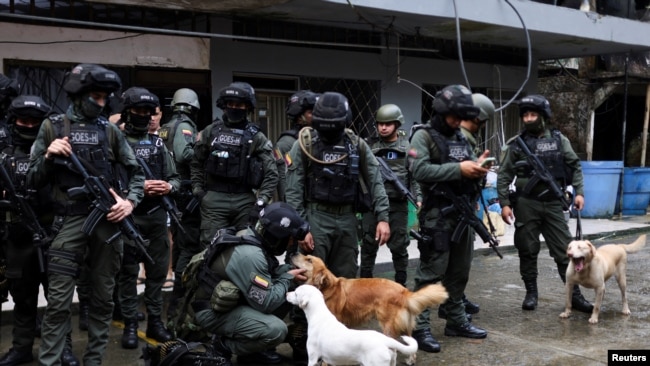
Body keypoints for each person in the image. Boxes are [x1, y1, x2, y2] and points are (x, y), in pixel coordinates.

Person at [28, 63, 145, 365]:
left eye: (106, 98)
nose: (102, 103)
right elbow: (31, 179)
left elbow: (136, 174)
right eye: (97, 96)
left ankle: (94, 360)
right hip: (67, 222)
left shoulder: (109, 131)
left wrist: (129, 202)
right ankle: (51, 361)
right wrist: (48, 156)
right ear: (79, 94)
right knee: (58, 303)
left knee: (104, 300)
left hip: (108, 222)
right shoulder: (52, 127)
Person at [409, 84, 491, 353]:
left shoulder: (460, 138)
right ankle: (419, 327)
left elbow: (465, 167)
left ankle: (456, 320)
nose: (457, 122)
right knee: (431, 273)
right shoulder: (424, 136)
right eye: (453, 116)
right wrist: (458, 169)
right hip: (437, 217)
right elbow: (419, 169)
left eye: (460, 117)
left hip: (462, 215)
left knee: (459, 272)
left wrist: (477, 169)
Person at [0, 96, 80, 366]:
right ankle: (21, 348)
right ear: (13, 120)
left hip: (52, 231)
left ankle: (64, 348)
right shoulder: (4, 152)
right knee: (23, 296)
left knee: (58, 296)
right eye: (24, 120)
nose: (30, 125)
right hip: (17, 235)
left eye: (36, 121)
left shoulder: (56, 150)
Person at [496, 94, 593, 313]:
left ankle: (575, 296)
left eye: (533, 114)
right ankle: (531, 293)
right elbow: (503, 175)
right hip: (526, 204)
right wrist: (504, 203)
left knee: (564, 251)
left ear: (543, 116)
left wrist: (580, 193)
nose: (529, 119)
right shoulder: (516, 145)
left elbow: (575, 165)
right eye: (526, 115)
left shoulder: (559, 140)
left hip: (552, 204)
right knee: (527, 250)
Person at [189, 202, 310, 365]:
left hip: (231, 303)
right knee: (276, 330)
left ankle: (253, 352)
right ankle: (222, 346)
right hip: (212, 311)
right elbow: (266, 303)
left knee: (292, 284)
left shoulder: (252, 235)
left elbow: (268, 277)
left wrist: (289, 274)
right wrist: (287, 277)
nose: (290, 243)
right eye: (289, 239)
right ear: (276, 237)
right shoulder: (250, 255)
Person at [285, 91, 390, 278]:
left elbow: (375, 180)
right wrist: (301, 229)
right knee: (311, 280)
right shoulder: (305, 144)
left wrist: (383, 217)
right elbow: (293, 189)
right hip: (315, 218)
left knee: (345, 280)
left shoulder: (356, 145)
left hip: (347, 219)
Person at [114, 87, 180, 349]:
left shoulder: (158, 144)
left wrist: (168, 187)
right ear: (128, 112)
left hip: (155, 218)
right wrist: (135, 191)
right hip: (128, 219)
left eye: (147, 112)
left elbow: (175, 178)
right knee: (128, 275)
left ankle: (155, 321)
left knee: (156, 275)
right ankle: (130, 324)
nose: (144, 116)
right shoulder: (116, 142)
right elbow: (106, 182)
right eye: (138, 111)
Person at [191, 82, 278, 242]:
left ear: (248, 107)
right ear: (224, 106)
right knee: (211, 249)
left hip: (244, 201)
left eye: (239, 105)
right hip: (213, 200)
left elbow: (271, 172)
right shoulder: (211, 131)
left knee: (247, 247)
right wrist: (198, 191)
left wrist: (261, 201)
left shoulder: (256, 136)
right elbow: (196, 162)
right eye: (230, 104)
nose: (234, 108)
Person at [439, 92, 496, 320]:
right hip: (446, 211)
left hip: (463, 208)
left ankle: (454, 306)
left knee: (458, 266)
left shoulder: (465, 140)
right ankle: (430, 320)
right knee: (442, 268)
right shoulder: (452, 138)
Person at [359, 103, 422, 286]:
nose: (383, 127)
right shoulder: (368, 146)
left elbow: (415, 175)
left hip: (398, 206)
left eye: (388, 124)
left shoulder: (409, 148)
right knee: (368, 247)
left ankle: (400, 285)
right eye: (380, 124)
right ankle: (364, 286)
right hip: (373, 206)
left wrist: (418, 198)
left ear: (397, 124)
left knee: (400, 247)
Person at [158, 87, 201, 323]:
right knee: (188, 245)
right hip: (185, 190)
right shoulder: (184, 126)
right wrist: (203, 147)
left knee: (180, 240)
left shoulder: (165, 126)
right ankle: (179, 304)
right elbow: (185, 154)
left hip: (173, 193)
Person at [275, 90, 319, 202]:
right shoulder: (286, 143)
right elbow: (284, 185)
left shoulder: (322, 140)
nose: (317, 116)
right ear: (299, 117)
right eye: (311, 112)